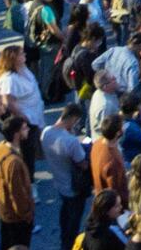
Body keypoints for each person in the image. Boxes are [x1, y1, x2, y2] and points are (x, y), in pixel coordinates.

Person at [42, 106, 91, 250]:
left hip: (59, 182)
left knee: (64, 216)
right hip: (74, 186)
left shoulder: (46, 132)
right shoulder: (71, 141)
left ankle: (64, 241)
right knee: (73, 222)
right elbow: (83, 164)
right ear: (73, 119)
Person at [0, 116, 34, 250]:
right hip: (16, 219)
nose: (28, 130)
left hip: (6, 213)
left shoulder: (1, 147)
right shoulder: (13, 162)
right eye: (25, 128)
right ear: (16, 134)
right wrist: (27, 216)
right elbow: (17, 194)